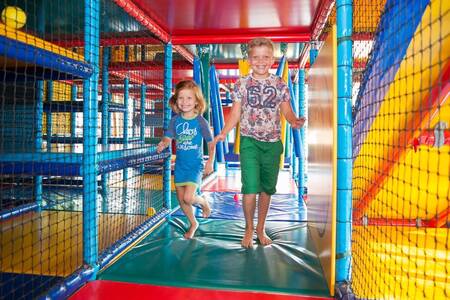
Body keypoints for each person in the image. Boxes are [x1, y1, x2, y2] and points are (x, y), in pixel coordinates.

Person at [214, 38, 305, 248]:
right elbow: (235, 113)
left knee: (267, 189)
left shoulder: (279, 83)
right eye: (256, 57)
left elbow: (286, 110)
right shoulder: (242, 83)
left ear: (272, 59)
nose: (261, 61)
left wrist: (293, 121)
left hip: (272, 143)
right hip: (249, 142)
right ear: (249, 59)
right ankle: (248, 228)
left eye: (265, 57)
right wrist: (223, 133)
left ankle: (260, 227)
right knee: (250, 188)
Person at [157, 80, 215, 239]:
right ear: (176, 101)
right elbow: (168, 138)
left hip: (195, 166)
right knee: (182, 200)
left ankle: (202, 201)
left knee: (189, 197)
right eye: (181, 98)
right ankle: (193, 223)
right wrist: (163, 144)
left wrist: (210, 162)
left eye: (189, 98)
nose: (185, 102)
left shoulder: (200, 121)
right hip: (180, 166)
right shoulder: (175, 121)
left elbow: (211, 144)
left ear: (196, 101)